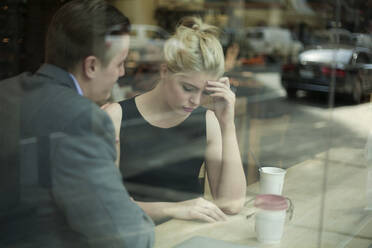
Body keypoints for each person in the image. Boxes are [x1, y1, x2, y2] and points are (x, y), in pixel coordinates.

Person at [0, 0, 154, 247]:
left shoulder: (6, 93)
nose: (122, 72)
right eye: (119, 62)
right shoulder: (81, 119)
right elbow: (126, 236)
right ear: (91, 65)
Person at [105, 17, 247, 224]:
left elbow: (232, 204)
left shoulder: (208, 121)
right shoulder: (116, 118)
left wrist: (228, 124)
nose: (196, 101)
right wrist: (176, 209)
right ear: (164, 71)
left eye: (205, 91)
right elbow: (109, 207)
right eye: (188, 88)